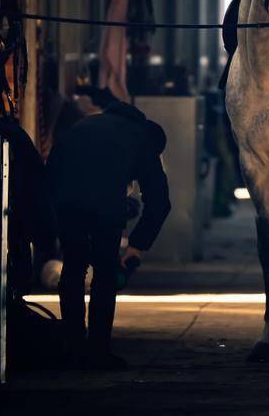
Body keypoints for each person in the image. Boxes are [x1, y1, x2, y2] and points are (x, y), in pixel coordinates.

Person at [46, 100, 171, 368]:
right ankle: (98, 351)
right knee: (104, 273)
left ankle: (73, 347)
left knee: (73, 268)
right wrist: (136, 245)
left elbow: (54, 165)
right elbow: (159, 202)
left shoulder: (90, 123)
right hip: (104, 203)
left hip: (63, 198)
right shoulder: (143, 140)